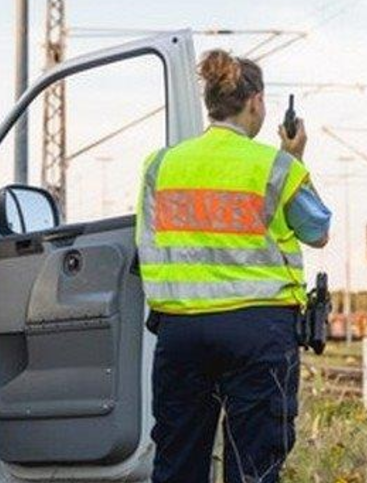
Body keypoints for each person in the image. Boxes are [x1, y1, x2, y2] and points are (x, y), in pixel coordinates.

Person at [136, 49, 331, 483]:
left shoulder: (160, 166)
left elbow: (147, 242)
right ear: (256, 102)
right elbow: (317, 230)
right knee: (254, 467)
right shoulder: (274, 166)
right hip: (257, 332)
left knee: (178, 462)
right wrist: (294, 157)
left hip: (181, 332)